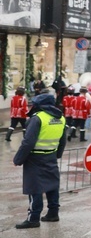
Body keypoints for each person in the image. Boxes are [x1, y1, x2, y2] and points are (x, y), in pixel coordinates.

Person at [12, 89, 66, 228]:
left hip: (35, 158)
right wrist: (57, 154)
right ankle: (53, 213)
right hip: (51, 156)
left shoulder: (37, 118)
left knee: (34, 187)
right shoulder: (60, 117)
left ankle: (33, 218)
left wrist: (18, 159)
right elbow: (63, 140)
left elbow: (28, 142)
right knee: (52, 185)